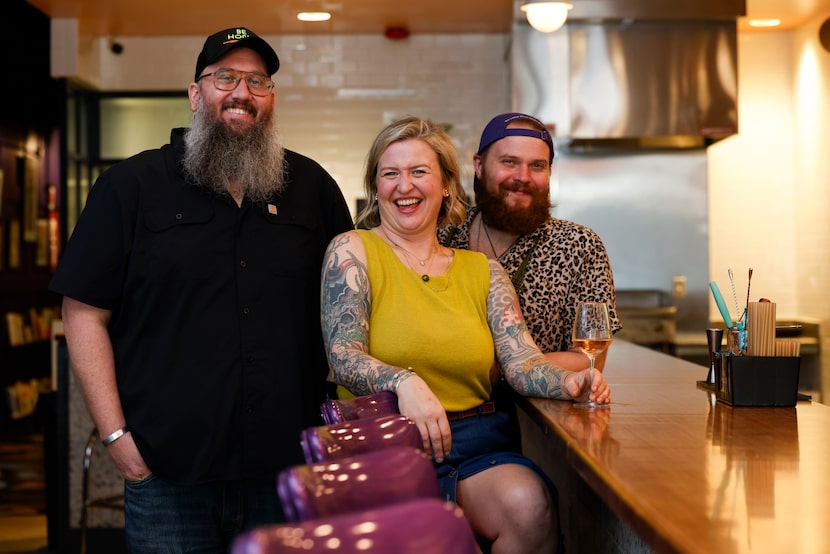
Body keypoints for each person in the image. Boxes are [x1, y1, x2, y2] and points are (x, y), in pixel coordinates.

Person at [49, 27, 353, 552]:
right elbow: (82, 313)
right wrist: (117, 437)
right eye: (225, 78)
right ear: (196, 93)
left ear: (271, 99)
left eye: (258, 82)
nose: (242, 93)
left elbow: (348, 308)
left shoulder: (312, 189)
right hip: (168, 476)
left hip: (286, 474)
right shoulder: (130, 187)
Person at [320, 117, 610, 554]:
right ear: (375, 185)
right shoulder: (353, 249)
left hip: (475, 443)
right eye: (390, 173)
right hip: (384, 447)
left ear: (446, 186)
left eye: (419, 172)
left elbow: (522, 363)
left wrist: (571, 381)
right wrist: (404, 382)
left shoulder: (483, 271)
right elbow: (342, 354)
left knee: (529, 506)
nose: (405, 186)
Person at [438, 112, 621, 372]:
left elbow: (589, 359)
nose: (522, 176)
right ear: (479, 166)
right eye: (509, 161)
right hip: (440, 409)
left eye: (537, 165)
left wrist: (490, 371)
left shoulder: (579, 246)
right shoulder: (443, 236)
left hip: (538, 410)